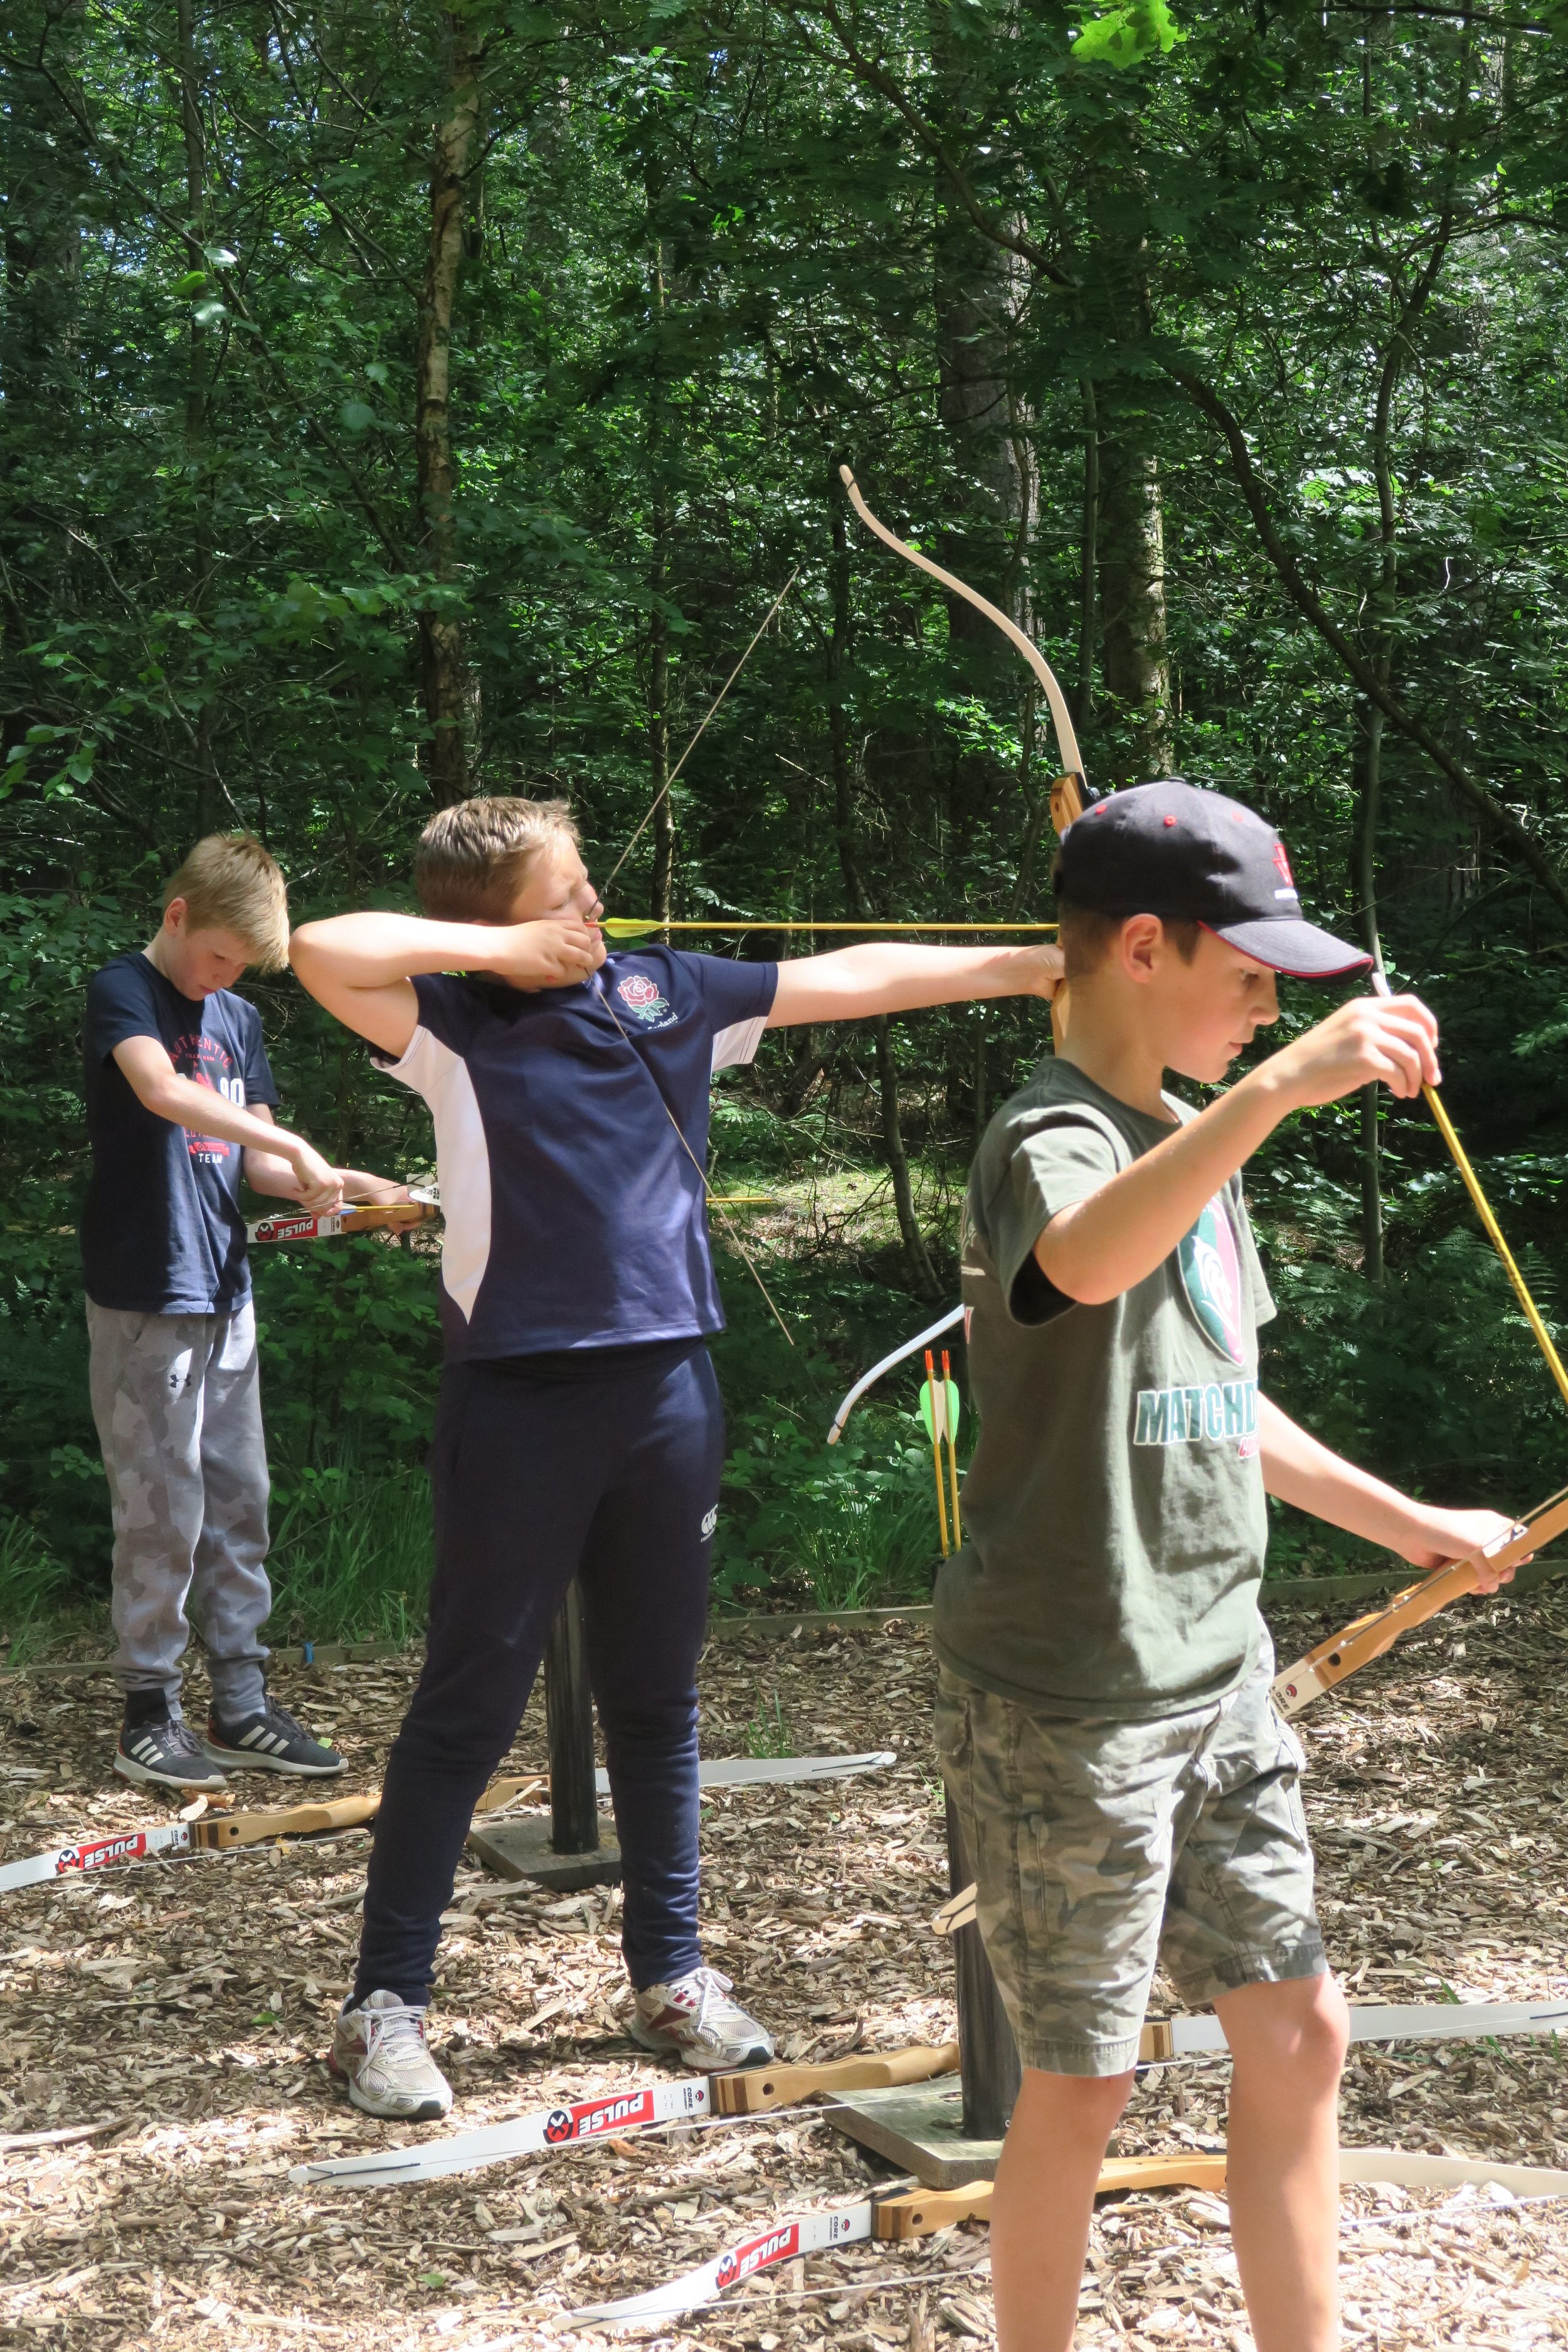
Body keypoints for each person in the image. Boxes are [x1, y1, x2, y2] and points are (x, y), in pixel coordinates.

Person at [289, 793, 1063, 2118]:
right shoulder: (451, 1022)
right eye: (565, 893)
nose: (593, 907)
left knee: (655, 1698)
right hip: (519, 1394)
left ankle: (669, 1975)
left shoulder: (664, 990)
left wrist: (1035, 962)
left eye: (588, 884)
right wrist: (494, 959)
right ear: (490, 925)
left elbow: (852, 977)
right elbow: (317, 945)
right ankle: (385, 2009)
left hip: (667, 1386)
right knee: (468, 1703)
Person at [937, 779, 1520, 2352]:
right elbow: (1075, 1271)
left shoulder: (1195, 1143)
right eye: (1246, 969)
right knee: (1082, 2082)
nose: (1268, 1003)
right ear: (1142, 947)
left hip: (1217, 1671)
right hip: (1072, 1693)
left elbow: (1208, 1394)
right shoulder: (1051, 1136)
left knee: (1296, 2035)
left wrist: (1403, 1521)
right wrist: (1272, 1094)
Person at [82, 833, 406, 1793]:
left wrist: (345, 1183)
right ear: (178, 915)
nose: (225, 975)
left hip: (227, 1291)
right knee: (160, 1507)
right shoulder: (125, 991)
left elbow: (263, 1165)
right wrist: (286, 1138)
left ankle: (240, 1702)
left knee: (237, 1501)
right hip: (147, 1289)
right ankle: (148, 1709)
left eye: (240, 965)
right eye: (219, 954)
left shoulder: (239, 1020)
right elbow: (162, 1090)